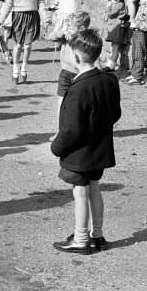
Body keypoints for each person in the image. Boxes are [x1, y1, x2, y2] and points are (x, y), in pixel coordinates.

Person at [50, 28, 121, 254]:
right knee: (94, 188)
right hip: (100, 147)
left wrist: (56, 146)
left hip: (81, 152)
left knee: (79, 192)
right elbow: (115, 114)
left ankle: (81, 239)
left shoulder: (78, 89)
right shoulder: (109, 80)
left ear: (77, 57)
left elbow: (71, 129)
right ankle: (97, 234)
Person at [2, 0, 43, 84]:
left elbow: (41, 1)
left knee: (28, 45)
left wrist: (45, 18)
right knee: (18, 45)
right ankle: (15, 67)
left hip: (33, 15)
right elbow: (8, 3)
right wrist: (1, 19)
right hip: (19, 16)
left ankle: (24, 66)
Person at [53, 11, 92, 140]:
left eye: (71, 27)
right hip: (65, 73)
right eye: (67, 26)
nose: (68, 29)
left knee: (78, 106)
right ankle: (61, 132)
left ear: (81, 28)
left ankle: (80, 130)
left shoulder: (84, 41)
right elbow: (52, 36)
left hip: (79, 75)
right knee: (61, 103)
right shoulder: (66, 36)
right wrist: (63, 30)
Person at [103, 0, 130, 72]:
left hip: (118, 28)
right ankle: (111, 63)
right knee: (114, 47)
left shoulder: (119, 5)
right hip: (117, 27)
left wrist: (108, 7)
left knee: (115, 47)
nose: (110, 0)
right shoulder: (121, 4)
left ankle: (111, 65)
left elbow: (111, 14)